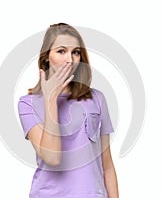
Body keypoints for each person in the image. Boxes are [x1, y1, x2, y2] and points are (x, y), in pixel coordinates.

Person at [18, 23, 119, 198]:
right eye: (61, 51)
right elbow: (52, 158)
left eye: (76, 52)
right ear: (46, 58)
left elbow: (107, 164)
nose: (70, 60)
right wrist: (51, 99)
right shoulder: (27, 104)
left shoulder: (97, 99)